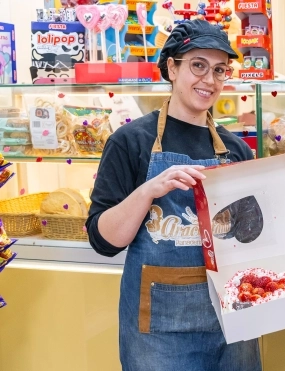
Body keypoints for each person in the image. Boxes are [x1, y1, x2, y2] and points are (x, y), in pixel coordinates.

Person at [86, 20, 261, 371]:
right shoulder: (131, 142)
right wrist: (151, 189)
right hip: (158, 332)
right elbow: (104, 241)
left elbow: (251, 238)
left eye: (219, 70)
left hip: (233, 320)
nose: (209, 80)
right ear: (172, 67)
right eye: (198, 65)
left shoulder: (236, 149)